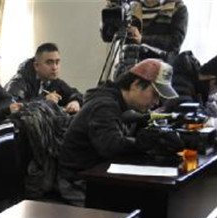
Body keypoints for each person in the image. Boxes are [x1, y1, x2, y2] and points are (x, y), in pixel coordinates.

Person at [58, 58, 178, 205]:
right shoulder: (104, 105)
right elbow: (110, 146)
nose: (157, 102)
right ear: (135, 85)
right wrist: (144, 141)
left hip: (97, 177)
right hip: (78, 182)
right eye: (155, 94)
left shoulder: (120, 104)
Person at [4, 43, 83, 114]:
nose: (54, 67)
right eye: (49, 63)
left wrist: (75, 102)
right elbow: (11, 107)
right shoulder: (19, 82)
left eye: (57, 62)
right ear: (36, 66)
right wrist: (43, 100)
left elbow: (74, 93)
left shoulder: (53, 81)